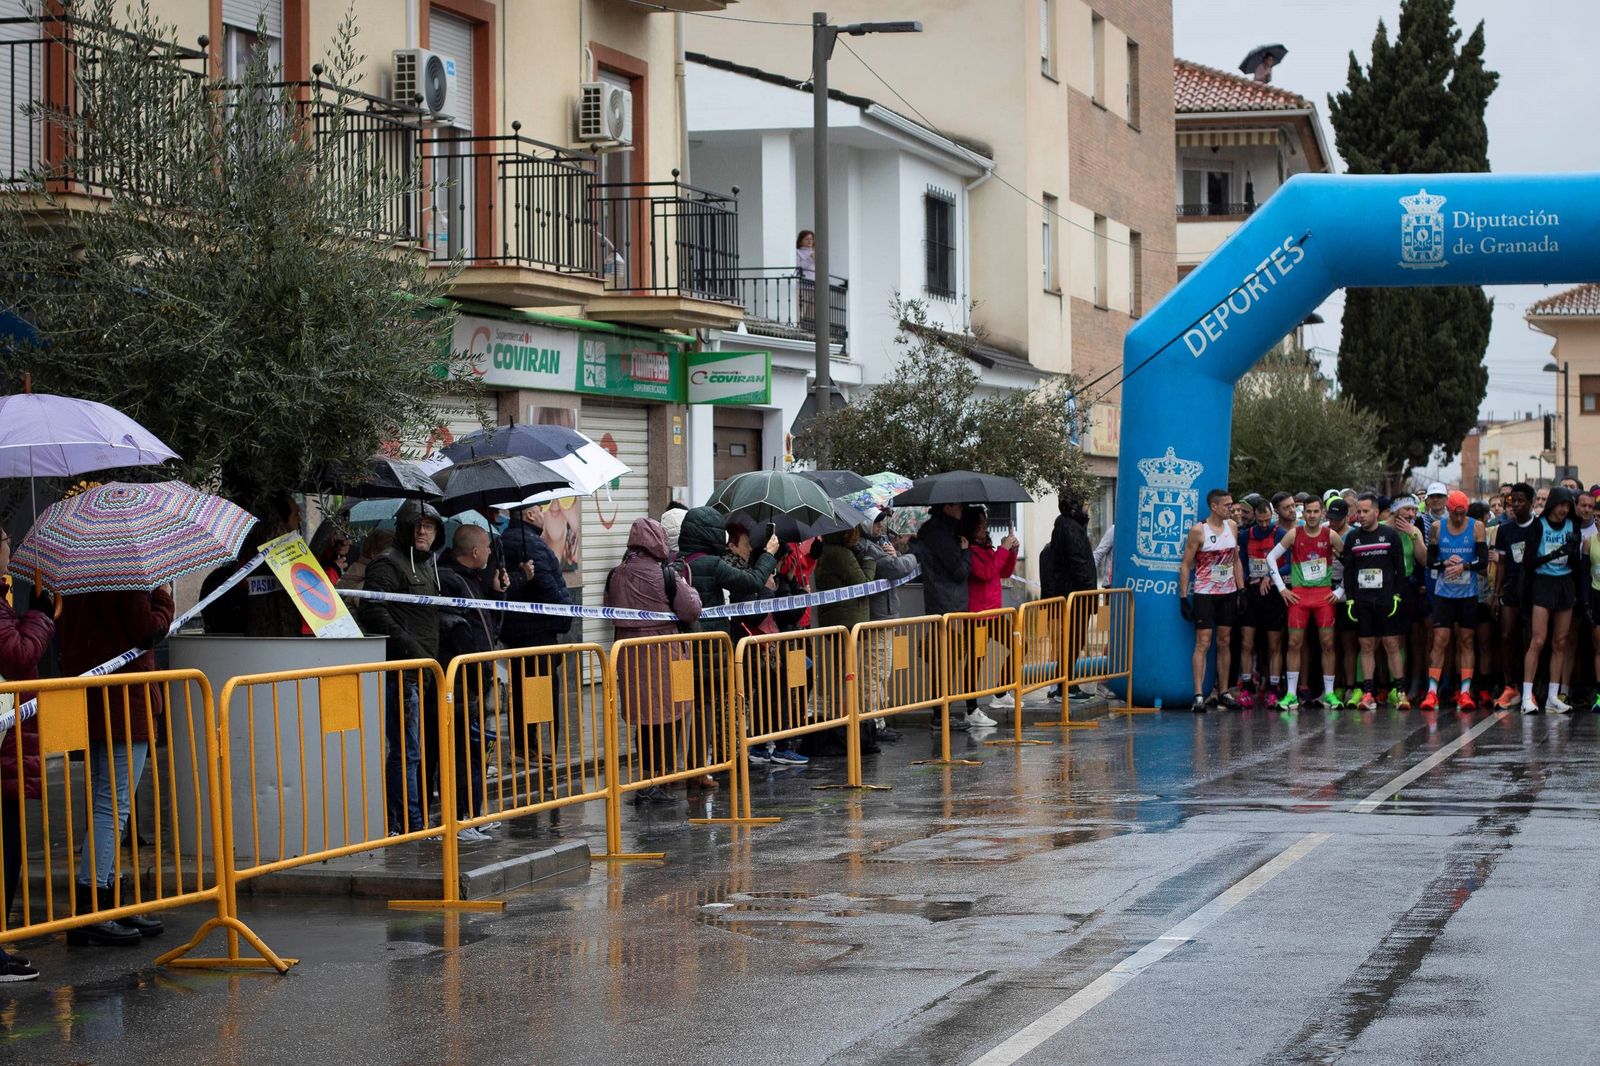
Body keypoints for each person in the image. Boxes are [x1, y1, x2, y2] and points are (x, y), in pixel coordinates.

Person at [58, 580, 175, 947]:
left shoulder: (82, 575)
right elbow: (147, 630)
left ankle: (108, 900)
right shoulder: (125, 577)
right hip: (125, 702)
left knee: (106, 802)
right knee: (114, 805)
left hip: (93, 699)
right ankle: (95, 904)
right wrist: (163, 598)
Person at [360, 503, 447, 836]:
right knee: (406, 751)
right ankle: (405, 824)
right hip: (402, 672)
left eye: (430, 526)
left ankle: (415, 818)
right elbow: (372, 610)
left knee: (417, 751)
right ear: (404, 529)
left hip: (426, 672)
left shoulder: (430, 566)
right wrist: (409, 646)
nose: (423, 532)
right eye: (417, 526)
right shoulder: (387, 564)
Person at [604, 517, 702, 806]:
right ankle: (661, 779)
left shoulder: (616, 574)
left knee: (644, 722)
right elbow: (691, 609)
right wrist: (689, 587)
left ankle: (647, 778)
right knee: (670, 719)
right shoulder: (666, 574)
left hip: (630, 657)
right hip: (666, 656)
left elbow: (610, 611)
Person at [0, 529, 55, 980]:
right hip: (4, 750)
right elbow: (16, 655)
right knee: (5, 848)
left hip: (9, 746)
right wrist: (39, 617)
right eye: (2, 538)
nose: (9, 543)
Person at [436, 525, 509, 841]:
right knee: (464, 751)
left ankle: (473, 814)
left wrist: (497, 592)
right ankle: (461, 817)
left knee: (478, 750)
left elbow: (488, 624)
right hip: (462, 681)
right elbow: (459, 630)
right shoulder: (451, 580)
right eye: (487, 548)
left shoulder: (473, 580)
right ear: (476, 552)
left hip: (474, 677)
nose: (491, 553)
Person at [1266, 494, 1345, 710]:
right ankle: (1291, 694)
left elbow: (1351, 563)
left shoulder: (1331, 535)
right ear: (1304, 513)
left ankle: (1329, 693)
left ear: (1322, 513)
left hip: (1324, 596)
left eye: (1315, 511)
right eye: (1308, 511)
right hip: (1299, 596)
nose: (1311, 515)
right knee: (1293, 644)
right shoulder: (1294, 534)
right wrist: (1282, 588)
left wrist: (1341, 591)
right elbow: (1270, 558)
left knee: (1328, 644)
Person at [1519, 486, 1584, 714]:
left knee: (1560, 642)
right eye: (1560, 505)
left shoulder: (1572, 525)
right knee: (1538, 640)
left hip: (1565, 584)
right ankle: (1527, 696)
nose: (1564, 510)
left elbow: (1575, 563)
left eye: (1567, 506)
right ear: (1552, 504)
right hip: (1543, 583)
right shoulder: (1539, 525)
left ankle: (1553, 697)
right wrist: (1554, 554)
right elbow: (1528, 562)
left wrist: (1573, 550)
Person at [1341, 492, 1409, 712]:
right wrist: (1350, 599)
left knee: (1391, 644)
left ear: (1377, 512)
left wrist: (1397, 596)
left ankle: (1399, 691)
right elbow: (1349, 572)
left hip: (1386, 600)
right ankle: (1368, 692)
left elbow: (1401, 569)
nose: (1360, 515)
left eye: (1365, 511)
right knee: (1367, 645)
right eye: (1358, 511)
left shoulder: (1390, 535)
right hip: (1362, 600)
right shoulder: (1353, 538)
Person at [1178, 488, 1243, 713]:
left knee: (1224, 641)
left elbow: (1235, 561)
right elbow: (1186, 564)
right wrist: (1184, 597)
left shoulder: (1232, 527)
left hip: (1228, 592)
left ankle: (1223, 691)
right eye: (1227, 505)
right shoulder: (1199, 530)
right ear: (1214, 507)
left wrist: (1241, 590)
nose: (1231, 509)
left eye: (1231, 504)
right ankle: (1198, 695)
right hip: (1205, 592)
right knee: (1203, 642)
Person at [1420, 491, 1487, 710]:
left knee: (1466, 640)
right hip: (1444, 594)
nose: (1459, 519)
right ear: (1448, 510)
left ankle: (1465, 692)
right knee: (1440, 640)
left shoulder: (1476, 527)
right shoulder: (1438, 528)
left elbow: (1483, 561)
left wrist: (1464, 566)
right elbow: (1430, 562)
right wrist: (1446, 563)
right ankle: (1432, 692)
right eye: (1455, 514)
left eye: (1462, 514)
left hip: (1468, 593)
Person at [857, 509, 917, 737]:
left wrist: (897, 556)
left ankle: (879, 717)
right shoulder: (865, 546)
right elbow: (895, 568)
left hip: (887, 614)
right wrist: (908, 557)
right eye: (876, 522)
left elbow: (895, 563)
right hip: (877, 617)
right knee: (874, 671)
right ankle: (873, 721)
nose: (881, 527)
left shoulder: (879, 543)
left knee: (883, 671)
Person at [962, 507, 1019, 728]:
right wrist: (1003, 549)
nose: (985, 527)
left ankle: (1001, 691)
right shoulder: (969, 550)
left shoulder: (987, 547)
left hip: (994, 612)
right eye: (981, 524)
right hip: (977, 615)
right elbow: (985, 572)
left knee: (1017, 644)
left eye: (985, 523)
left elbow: (1002, 572)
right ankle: (971, 708)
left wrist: (1011, 551)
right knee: (975, 661)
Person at [1238, 494, 1289, 708]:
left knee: (1273, 645)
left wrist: (1271, 573)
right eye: (1260, 521)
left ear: (1273, 515)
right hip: (1252, 593)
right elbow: (1240, 563)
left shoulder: (1281, 534)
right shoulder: (1245, 535)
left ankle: (1273, 688)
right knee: (1246, 643)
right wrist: (1242, 588)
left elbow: (1290, 563)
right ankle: (1247, 686)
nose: (1264, 524)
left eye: (1268, 520)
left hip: (1273, 594)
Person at [1492, 484, 1538, 709]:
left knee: (1530, 638)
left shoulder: (1538, 527)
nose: (1517, 505)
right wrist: (1495, 593)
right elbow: (1500, 564)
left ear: (1531, 502)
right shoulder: (1504, 530)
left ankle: (1532, 688)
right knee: (1507, 635)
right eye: (1513, 501)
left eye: (1521, 501)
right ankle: (1510, 686)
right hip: (1510, 588)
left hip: (1533, 589)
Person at [1388, 496, 1429, 706]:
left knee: (1414, 639)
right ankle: (1393, 684)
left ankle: (1411, 684)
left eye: (1414, 510)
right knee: (1391, 639)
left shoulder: (1415, 530)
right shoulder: (1384, 529)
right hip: (1387, 587)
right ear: (1395, 511)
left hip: (1409, 587)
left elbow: (1423, 559)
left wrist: (1414, 536)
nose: (1412, 515)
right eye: (1407, 510)